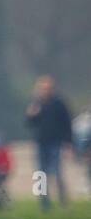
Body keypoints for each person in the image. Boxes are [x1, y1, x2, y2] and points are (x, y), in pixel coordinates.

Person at [25, 76, 73, 212]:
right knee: (41, 174)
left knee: (57, 172)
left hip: (55, 142)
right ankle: (44, 204)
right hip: (40, 142)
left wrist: (68, 143)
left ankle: (63, 201)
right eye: (43, 88)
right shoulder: (36, 104)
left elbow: (67, 124)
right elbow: (29, 123)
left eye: (47, 88)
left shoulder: (59, 104)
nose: (45, 91)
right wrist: (31, 115)